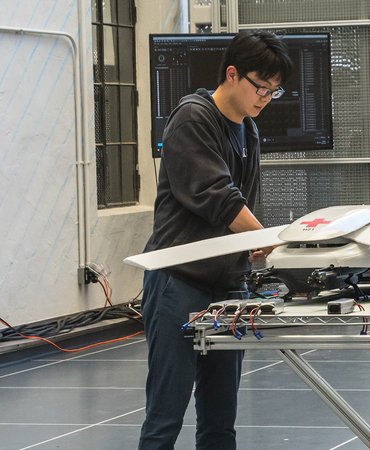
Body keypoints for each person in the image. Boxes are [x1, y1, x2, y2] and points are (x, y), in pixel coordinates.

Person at [138, 30, 292, 450]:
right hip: (179, 284)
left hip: (227, 288)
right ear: (231, 73)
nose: (265, 97)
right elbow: (218, 198)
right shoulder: (192, 118)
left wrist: (256, 246)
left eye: (273, 91)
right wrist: (263, 236)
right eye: (260, 86)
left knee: (220, 420)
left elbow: (239, 203)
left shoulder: (248, 130)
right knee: (165, 416)